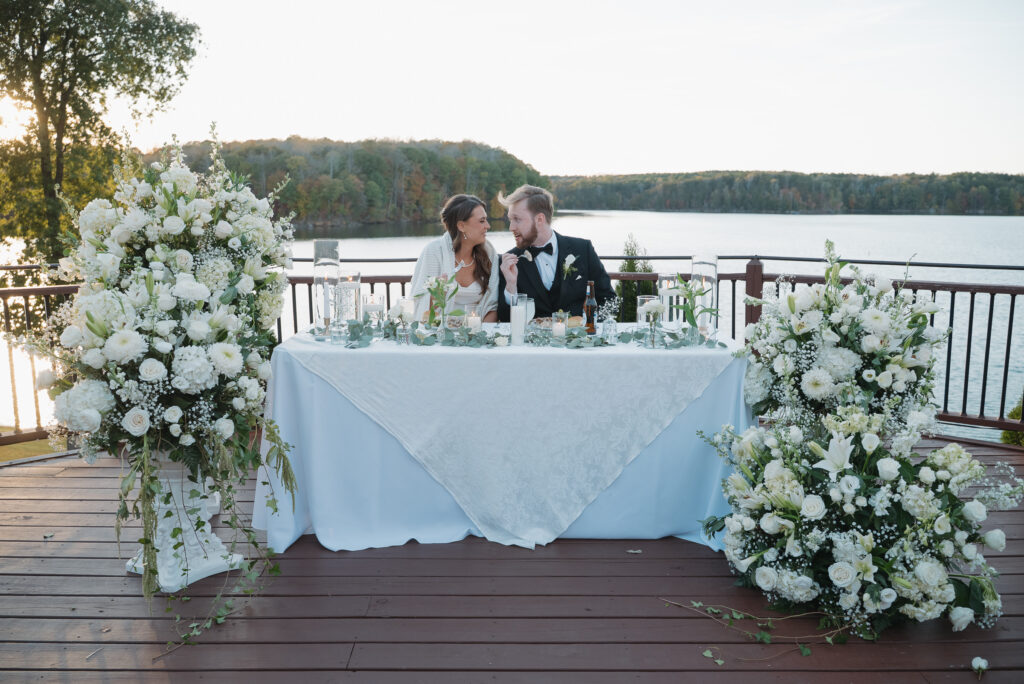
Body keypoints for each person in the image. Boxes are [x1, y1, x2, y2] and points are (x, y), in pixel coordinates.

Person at [497, 185, 614, 321]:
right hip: (531, 342)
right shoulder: (508, 262)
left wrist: (587, 325)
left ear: (540, 219)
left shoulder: (583, 249)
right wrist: (511, 286)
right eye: (510, 219)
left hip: (578, 339)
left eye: (517, 219)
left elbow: (609, 300)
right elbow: (505, 319)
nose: (511, 227)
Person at [410, 194, 499, 323]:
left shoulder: (489, 254)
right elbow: (420, 306)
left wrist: (481, 336)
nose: (488, 226)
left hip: (478, 333)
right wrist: (436, 295)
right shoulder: (434, 252)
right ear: (461, 226)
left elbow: (492, 305)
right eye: (482, 221)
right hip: (438, 332)